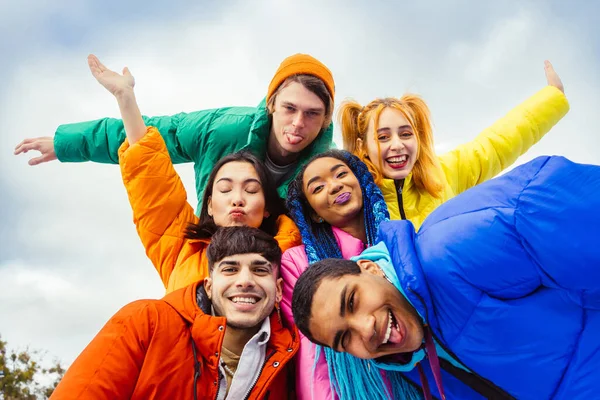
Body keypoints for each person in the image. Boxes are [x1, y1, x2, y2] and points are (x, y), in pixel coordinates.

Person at [292, 155, 600, 399]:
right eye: (344, 338)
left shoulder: (453, 248)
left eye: (353, 301)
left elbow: (562, 204)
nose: (365, 328)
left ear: (371, 269)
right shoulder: (414, 362)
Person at [56, 55, 302, 292]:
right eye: (225, 189)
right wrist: (125, 98)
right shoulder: (180, 248)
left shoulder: (294, 253)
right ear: (209, 206)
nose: (237, 198)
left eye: (250, 190)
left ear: (267, 206)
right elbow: (152, 180)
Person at [15, 53, 336, 213]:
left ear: (324, 120)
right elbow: (152, 135)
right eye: (289, 109)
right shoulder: (222, 129)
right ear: (271, 104)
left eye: (311, 114)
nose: (297, 124)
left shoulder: (326, 169)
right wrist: (66, 144)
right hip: (215, 252)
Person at [50, 226, 299, 400]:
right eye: (230, 270)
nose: (245, 281)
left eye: (259, 270)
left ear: (278, 290)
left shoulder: (291, 358)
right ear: (209, 286)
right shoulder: (145, 321)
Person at [339, 61, 569, 229]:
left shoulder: (444, 174)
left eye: (406, 134)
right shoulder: (353, 198)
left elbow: (497, 144)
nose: (397, 145)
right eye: (383, 137)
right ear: (363, 146)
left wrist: (551, 98)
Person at [280, 150, 417, 399]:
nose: (334, 186)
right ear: (313, 213)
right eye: (318, 187)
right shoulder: (298, 262)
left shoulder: (400, 238)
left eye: (341, 174)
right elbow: (315, 357)